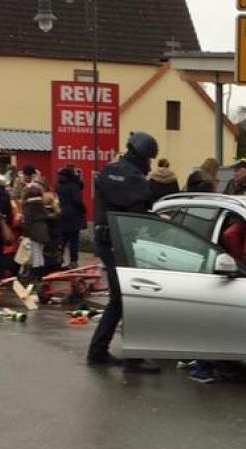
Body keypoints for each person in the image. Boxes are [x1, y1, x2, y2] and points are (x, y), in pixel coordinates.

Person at [87, 132, 160, 372]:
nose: (149, 164)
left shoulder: (108, 171)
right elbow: (138, 216)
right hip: (122, 245)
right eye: (149, 159)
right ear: (142, 155)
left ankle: (98, 352)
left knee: (119, 300)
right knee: (128, 299)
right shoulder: (135, 179)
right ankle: (132, 358)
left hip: (105, 242)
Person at [55, 166, 86, 268]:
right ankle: (73, 261)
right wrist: (83, 209)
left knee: (62, 239)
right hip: (73, 216)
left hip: (61, 214)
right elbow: (77, 200)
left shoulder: (58, 185)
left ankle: (58, 258)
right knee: (74, 240)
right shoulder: (73, 185)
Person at [19, 183, 50, 280]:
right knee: (39, 252)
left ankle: (36, 274)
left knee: (34, 252)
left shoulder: (28, 206)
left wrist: (25, 232)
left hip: (34, 232)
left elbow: (27, 221)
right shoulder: (41, 205)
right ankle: (41, 272)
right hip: (43, 230)